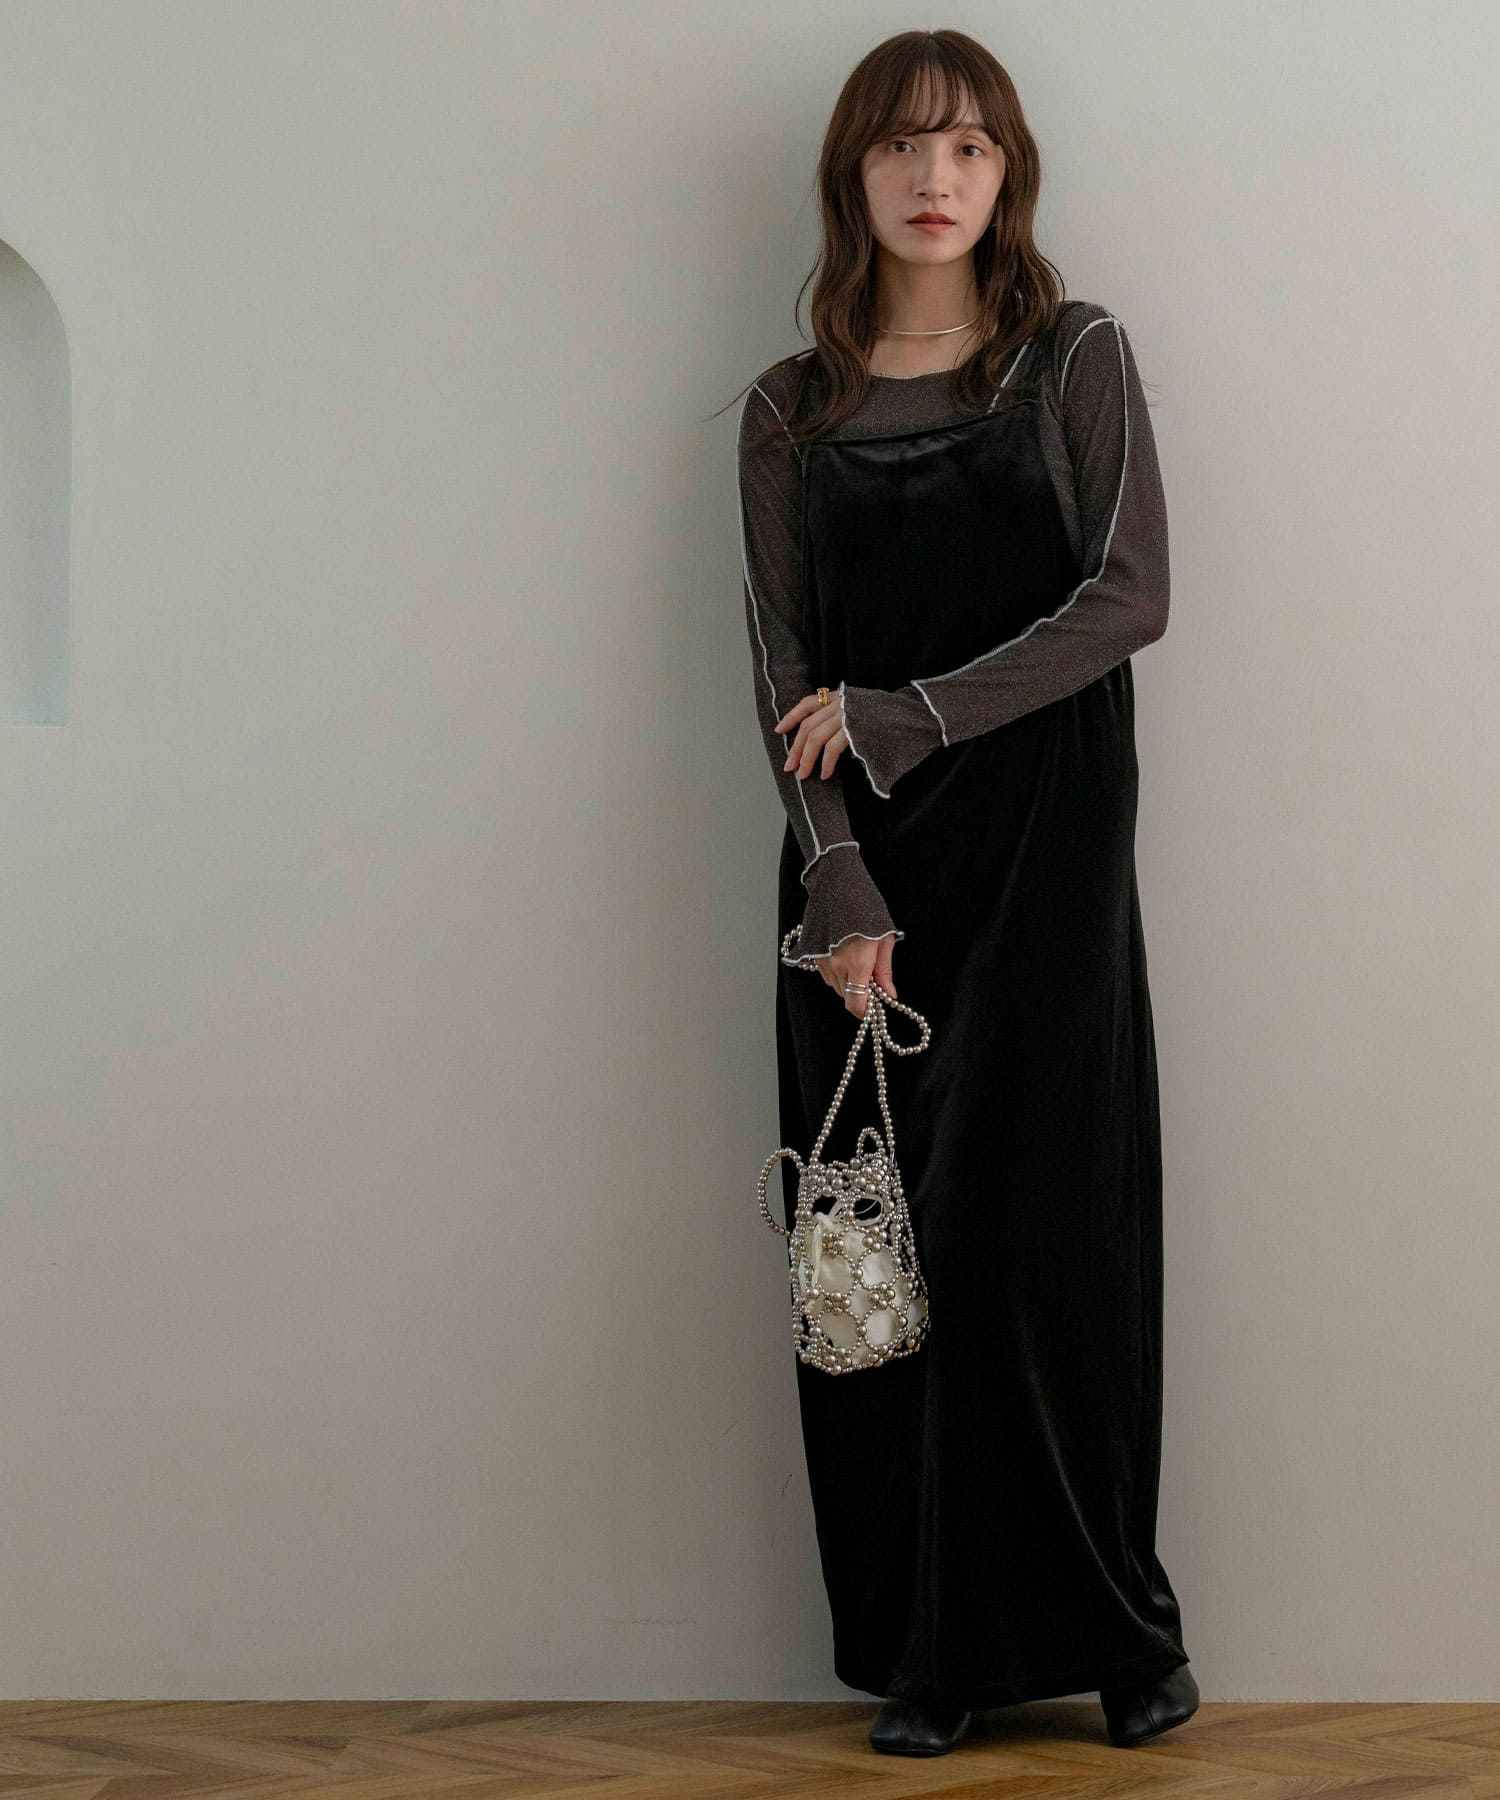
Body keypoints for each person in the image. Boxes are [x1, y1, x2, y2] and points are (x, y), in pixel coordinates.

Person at [731, 30, 1200, 1757]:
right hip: (863, 886)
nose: (936, 179)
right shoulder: (788, 409)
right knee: (883, 1265)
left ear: (1010, 176)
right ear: (850, 173)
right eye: (902, 146)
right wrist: (840, 878)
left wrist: (909, 712)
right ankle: (927, 1652)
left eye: (972, 147)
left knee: (1052, 1244)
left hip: (1049, 857)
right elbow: (779, 674)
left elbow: (1129, 600)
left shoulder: (1072, 356)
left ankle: (1122, 1634)